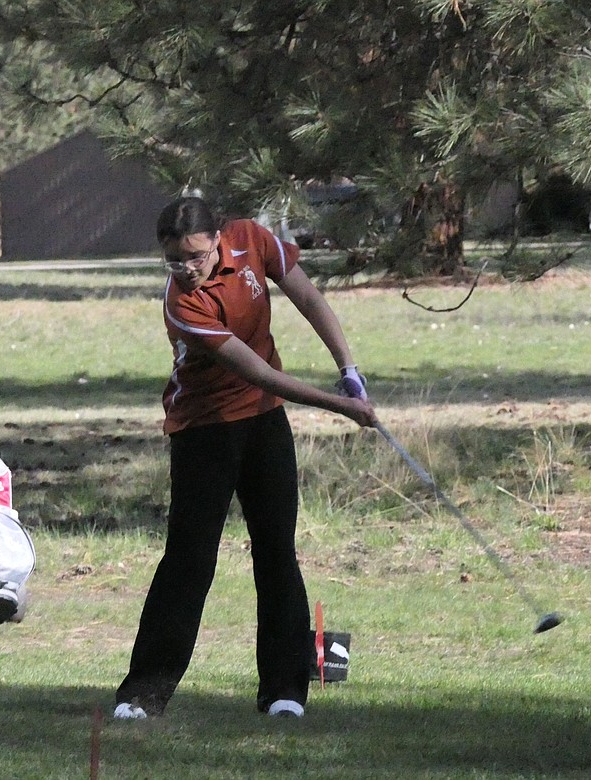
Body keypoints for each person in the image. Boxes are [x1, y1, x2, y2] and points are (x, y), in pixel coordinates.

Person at [114, 196, 377, 720]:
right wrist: (341, 406)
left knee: (277, 551)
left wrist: (348, 367)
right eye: (173, 261)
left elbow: (309, 299)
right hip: (203, 430)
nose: (185, 270)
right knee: (189, 560)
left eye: (194, 256)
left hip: (264, 423)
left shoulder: (253, 239)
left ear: (217, 238)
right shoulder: (182, 305)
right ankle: (144, 692)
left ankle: (284, 691)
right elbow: (257, 371)